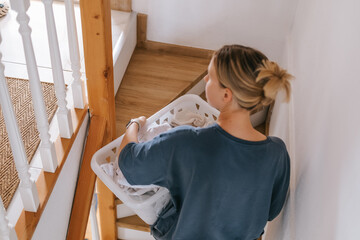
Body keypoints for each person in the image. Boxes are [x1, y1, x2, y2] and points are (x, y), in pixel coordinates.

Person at [118, 44, 292, 240]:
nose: (204, 79)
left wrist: (133, 125)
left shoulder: (186, 142)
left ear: (226, 95)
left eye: (210, 76)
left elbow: (128, 164)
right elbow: (271, 210)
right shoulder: (277, 153)